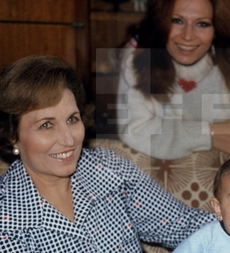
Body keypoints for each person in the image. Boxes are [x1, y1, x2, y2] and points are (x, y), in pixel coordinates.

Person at [0, 55, 215, 252]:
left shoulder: (107, 169)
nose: (69, 140)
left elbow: (183, 225)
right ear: (12, 135)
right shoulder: (7, 220)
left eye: (72, 119)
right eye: (46, 125)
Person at [116, 0, 230, 160]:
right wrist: (208, 134)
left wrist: (168, 134)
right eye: (177, 21)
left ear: (217, 28)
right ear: (161, 22)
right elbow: (134, 130)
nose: (187, 36)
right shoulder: (138, 58)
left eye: (202, 24)